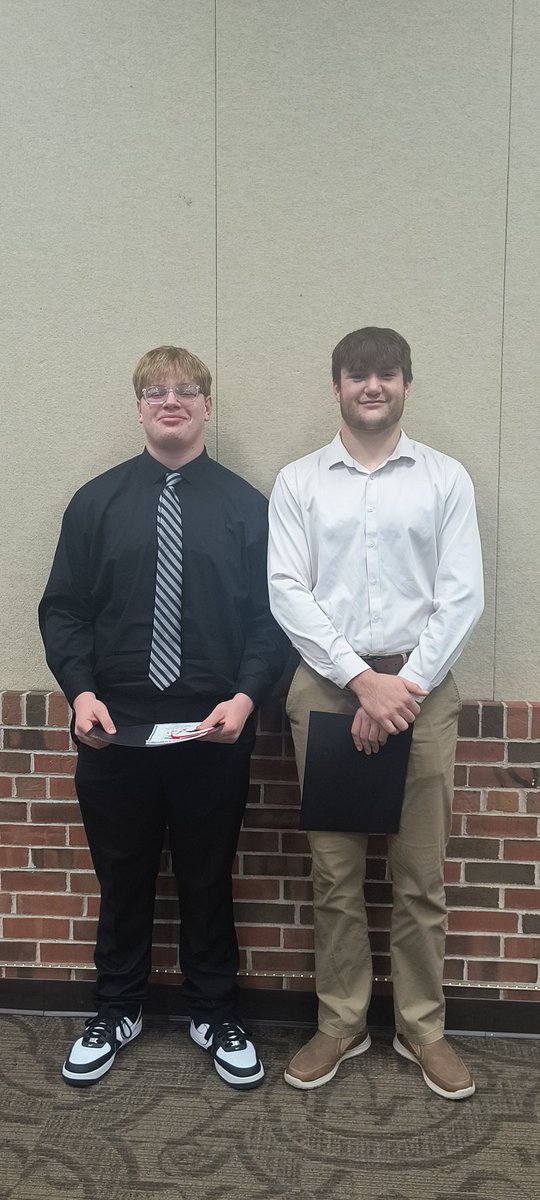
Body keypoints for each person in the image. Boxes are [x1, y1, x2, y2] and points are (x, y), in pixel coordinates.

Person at [39, 345, 289, 1090]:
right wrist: (79, 692)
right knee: (123, 876)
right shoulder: (95, 503)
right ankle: (116, 1009)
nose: (170, 401)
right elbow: (64, 609)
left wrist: (246, 698)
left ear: (208, 406)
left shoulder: (247, 507)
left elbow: (269, 619)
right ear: (139, 408)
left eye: (185, 390)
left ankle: (214, 1010)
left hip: (214, 725)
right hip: (115, 724)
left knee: (209, 876)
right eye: (155, 392)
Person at [268, 326, 484, 1100]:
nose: (372, 386)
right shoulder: (299, 482)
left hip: (422, 690)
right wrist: (362, 681)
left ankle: (423, 1028)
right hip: (328, 689)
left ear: (406, 385)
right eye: (357, 375)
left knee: (419, 875)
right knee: (335, 875)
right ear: (336, 386)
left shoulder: (444, 479)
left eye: (386, 374)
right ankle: (342, 1022)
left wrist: (401, 687)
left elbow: (462, 595)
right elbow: (286, 591)